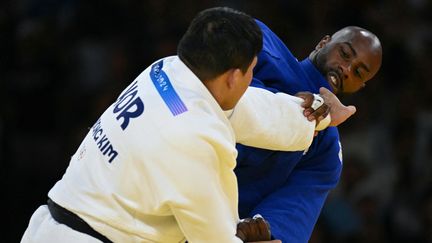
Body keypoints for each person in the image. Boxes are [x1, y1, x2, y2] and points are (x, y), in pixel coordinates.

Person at [20, 7, 354, 243]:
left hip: (54, 224)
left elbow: (252, 109)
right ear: (234, 76)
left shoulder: (167, 71)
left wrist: (321, 113)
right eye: (252, 71)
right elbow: (215, 239)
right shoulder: (195, 141)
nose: (255, 80)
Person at [235, 20, 383, 243]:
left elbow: (289, 214)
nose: (346, 69)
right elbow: (221, 96)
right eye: (344, 53)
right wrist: (301, 111)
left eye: (358, 72)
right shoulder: (264, 44)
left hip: (217, 224)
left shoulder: (327, 151)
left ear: (359, 87)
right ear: (324, 42)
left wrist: (269, 232)